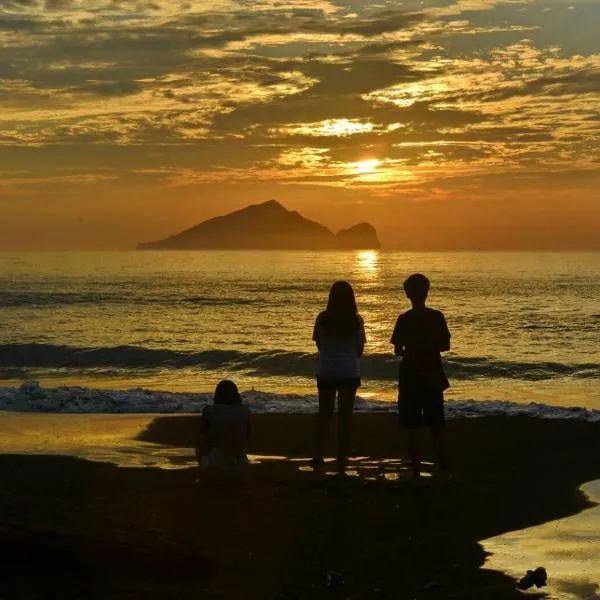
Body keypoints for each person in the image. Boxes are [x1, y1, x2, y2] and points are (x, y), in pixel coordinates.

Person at [390, 273, 451, 480]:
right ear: (426, 292)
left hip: (410, 376)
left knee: (412, 425)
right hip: (432, 373)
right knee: (436, 424)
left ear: (409, 295)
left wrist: (411, 348)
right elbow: (445, 345)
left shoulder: (404, 319)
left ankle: (415, 469)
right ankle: (443, 467)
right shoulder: (437, 317)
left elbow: (398, 349)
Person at [312, 281, 366, 472]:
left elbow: (319, 344)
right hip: (349, 370)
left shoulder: (322, 319)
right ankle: (341, 456)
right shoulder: (356, 321)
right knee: (345, 417)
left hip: (327, 369)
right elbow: (360, 349)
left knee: (324, 415)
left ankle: (318, 453)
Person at [196, 380, 251, 469]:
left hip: (216, 462)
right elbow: (248, 435)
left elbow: (203, 437)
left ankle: (204, 464)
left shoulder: (209, 410)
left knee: (201, 433)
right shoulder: (245, 411)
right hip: (240, 461)